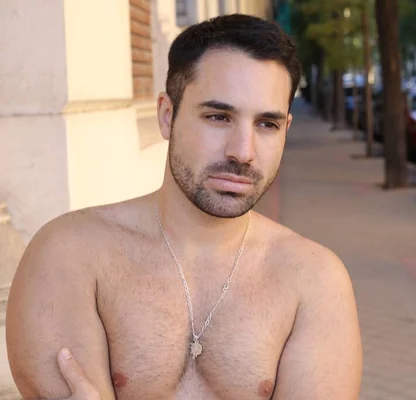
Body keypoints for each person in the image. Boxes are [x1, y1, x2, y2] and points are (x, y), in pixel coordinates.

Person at [5, 13, 362, 400]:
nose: (242, 152)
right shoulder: (70, 255)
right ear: (166, 115)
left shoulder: (314, 280)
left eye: (266, 124)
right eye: (218, 116)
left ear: (286, 130)